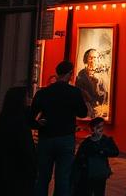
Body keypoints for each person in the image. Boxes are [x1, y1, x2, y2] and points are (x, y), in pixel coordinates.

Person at [33, 59, 90, 196]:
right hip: (65, 137)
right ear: (70, 73)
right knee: (63, 177)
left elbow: (32, 114)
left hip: (46, 136)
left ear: (57, 73)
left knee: (42, 177)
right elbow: (82, 113)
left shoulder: (43, 92)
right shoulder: (74, 92)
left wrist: (38, 124)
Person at [0, 85, 36, 196]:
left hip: (2, 173)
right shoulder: (20, 124)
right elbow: (26, 150)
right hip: (18, 174)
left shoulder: (0, 121)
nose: (29, 99)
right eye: (27, 97)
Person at [72, 117, 119, 196]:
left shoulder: (106, 140)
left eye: (102, 126)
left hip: (100, 172)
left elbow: (115, 152)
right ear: (92, 129)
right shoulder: (87, 142)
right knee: (87, 191)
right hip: (88, 172)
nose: (101, 129)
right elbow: (79, 158)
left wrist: (103, 151)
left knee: (99, 191)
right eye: (98, 127)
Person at [75, 50, 108, 115]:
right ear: (86, 60)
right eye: (91, 58)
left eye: (95, 58)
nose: (93, 61)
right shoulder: (81, 76)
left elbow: (105, 94)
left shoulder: (101, 76)